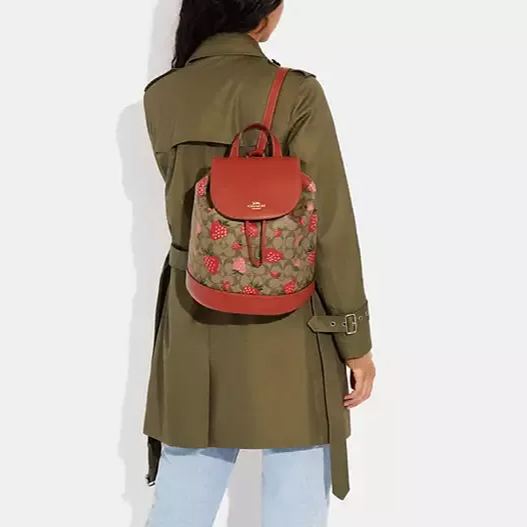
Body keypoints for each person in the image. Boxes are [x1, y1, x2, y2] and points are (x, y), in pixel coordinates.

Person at [142, 1, 376, 525]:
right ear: (263, 14)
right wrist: (354, 339)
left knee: (183, 493)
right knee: (296, 493)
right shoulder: (295, 93)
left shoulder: (162, 94)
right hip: (289, 318)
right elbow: (330, 227)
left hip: (193, 312)